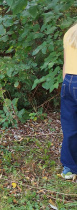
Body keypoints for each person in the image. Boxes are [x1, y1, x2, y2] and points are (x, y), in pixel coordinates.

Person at [60, 23, 77, 180]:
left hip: (68, 81)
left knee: (70, 127)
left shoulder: (70, 32)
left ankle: (69, 168)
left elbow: (66, 63)